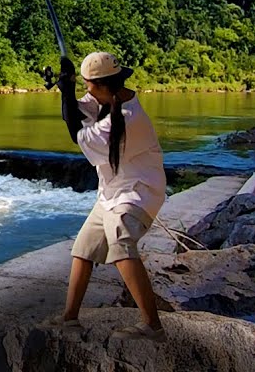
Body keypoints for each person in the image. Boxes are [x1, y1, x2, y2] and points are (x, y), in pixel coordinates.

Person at [45, 51, 168, 342]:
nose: (88, 91)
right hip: (112, 193)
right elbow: (73, 113)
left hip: (138, 193)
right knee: (83, 249)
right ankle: (69, 319)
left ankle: (153, 327)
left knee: (121, 243)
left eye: (88, 86)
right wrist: (68, 87)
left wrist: (67, 91)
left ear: (102, 85)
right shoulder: (110, 97)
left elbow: (77, 134)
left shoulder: (126, 117)